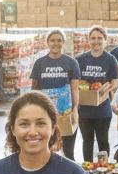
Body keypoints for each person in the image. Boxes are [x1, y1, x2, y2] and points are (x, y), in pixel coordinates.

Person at [32, 29, 81, 158]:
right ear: (47, 43)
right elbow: (35, 89)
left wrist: (75, 109)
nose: (56, 43)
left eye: (59, 40)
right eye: (52, 40)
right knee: (46, 150)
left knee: (68, 152)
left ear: (63, 42)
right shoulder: (39, 63)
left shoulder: (71, 63)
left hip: (66, 112)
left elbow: (75, 88)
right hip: (45, 114)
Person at [74, 26, 118, 162]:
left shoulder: (110, 59)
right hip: (84, 109)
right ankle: (88, 172)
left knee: (103, 141)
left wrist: (109, 87)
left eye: (100, 38)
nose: (96, 41)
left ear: (105, 40)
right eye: (93, 38)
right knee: (87, 141)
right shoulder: (80, 59)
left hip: (103, 109)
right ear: (89, 40)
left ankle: (103, 168)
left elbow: (116, 80)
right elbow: (74, 81)